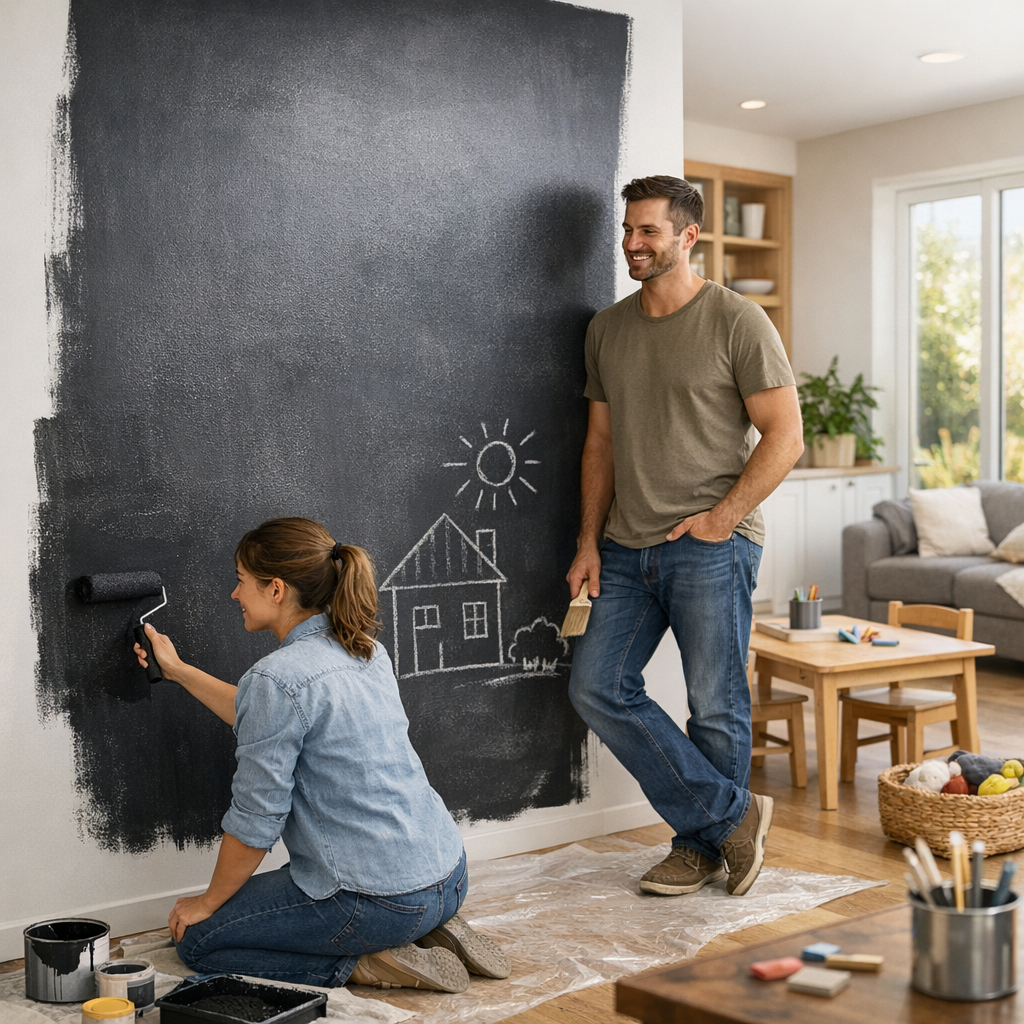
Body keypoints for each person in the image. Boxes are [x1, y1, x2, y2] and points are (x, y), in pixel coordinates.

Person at [135, 516, 510, 990]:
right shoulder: (365, 649)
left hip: (375, 902)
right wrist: (179, 671)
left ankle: (366, 962)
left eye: (240, 582)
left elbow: (255, 821)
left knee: (198, 941)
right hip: (448, 877)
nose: (234, 594)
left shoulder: (276, 678)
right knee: (389, 904)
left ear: (275, 589)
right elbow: (267, 712)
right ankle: (432, 928)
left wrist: (207, 902)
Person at [566, 175, 804, 898]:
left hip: (711, 541)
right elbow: (600, 445)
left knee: (716, 704)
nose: (634, 244)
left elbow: (786, 436)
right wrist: (586, 542)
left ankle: (698, 849)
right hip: (625, 546)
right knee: (597, 686)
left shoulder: (737, 320)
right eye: (629, 231)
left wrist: (722, 519)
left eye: (649, 232)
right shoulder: (607, 328)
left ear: (687, 237)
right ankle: (732, 818)